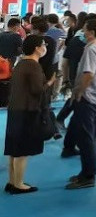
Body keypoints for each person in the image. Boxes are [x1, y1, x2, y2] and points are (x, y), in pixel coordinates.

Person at [64, 18, 96, 190]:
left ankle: (89, 175)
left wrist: (79, 91)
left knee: (86, 138)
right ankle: (85, 172)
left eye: (84, 30)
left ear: (90, 32)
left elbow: (88, 74)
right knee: (84, 134)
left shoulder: (92, 49)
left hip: (88, 97)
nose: (82, 33)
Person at [4, 34, 50, 194]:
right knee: (22, 150)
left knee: (13, 149)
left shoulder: (20, 63)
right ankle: (19, 184)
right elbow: (37, 90)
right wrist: (50, 83)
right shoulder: (33, 65)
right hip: (27, 111)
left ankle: (12, 181)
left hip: (15, 109)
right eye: (43, 44)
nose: (45, 47)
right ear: (37, 48)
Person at [56, 24, 87, 136]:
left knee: (76, 100)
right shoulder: (89, 44)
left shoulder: (74, 40)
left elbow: (65, 63)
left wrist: (66, 79)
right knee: (80, 103)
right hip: (83, 78)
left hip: (74, 76)